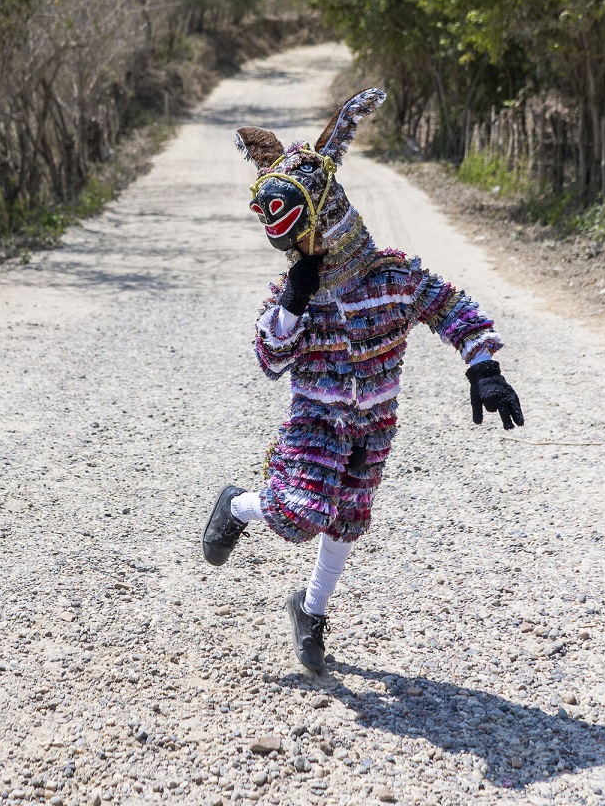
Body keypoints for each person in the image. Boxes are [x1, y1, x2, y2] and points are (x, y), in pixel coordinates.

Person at [200, 88, 523, 672]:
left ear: (328, 218)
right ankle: (239, 504)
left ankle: (310, 610)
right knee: (298, 514)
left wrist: (484, 367)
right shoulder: (294, 292)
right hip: (316, 420)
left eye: (303, 235)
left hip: (374, 425)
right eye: (289, 241)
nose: (297, 249)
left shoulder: (391, 277)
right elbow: (269, 361)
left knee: (348, 517)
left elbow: (453, 308)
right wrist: (293, 307)